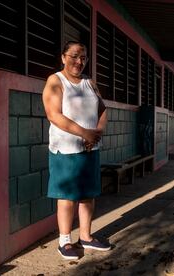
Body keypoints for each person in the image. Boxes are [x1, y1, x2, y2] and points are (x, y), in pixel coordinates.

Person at [42, 41, 110, 260]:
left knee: (88, 195)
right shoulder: (56, 80)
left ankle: (86, 237)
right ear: (63, 57)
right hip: (66, 149)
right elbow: (54, 115)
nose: (79, 61)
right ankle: (64, 240)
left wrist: (96, 133)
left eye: (83, 58)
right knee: (67, 196)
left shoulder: (90, 83)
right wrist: (84, 133)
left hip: (90, 148)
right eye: (74, 56)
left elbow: (102, 109)